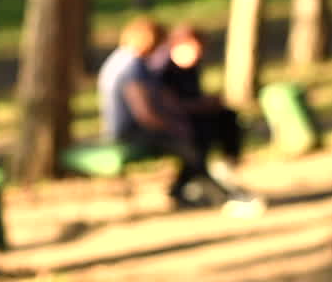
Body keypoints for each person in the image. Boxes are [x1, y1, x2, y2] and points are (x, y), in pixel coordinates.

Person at [99, 18, 261, 215]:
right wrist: (172, 126)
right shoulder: (132, 67)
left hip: (129, 129)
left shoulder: (122, 60)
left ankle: (193, 187)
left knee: (200, 132)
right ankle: (218, 193)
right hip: (132, 132)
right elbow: (145, 113)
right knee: (192, 140)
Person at [147, 24, 263, 207]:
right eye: (195, 48)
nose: (198, 54)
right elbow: (170, 105)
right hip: (171, 124)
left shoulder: (190, 67)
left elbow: (192, 97)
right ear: (179, 44)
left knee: (227, 117)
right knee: (198, 138)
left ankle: (227, 163)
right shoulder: (162, 69)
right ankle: (203, 187)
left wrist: (208, 103)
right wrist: (202, 104)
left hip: (190, 118)